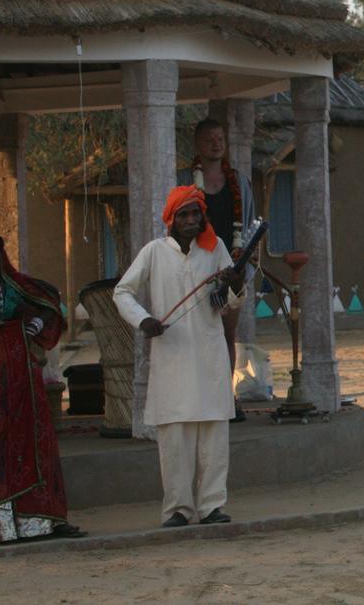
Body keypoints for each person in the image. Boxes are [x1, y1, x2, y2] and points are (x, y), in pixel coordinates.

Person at [113, 186, 244, 527]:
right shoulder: (154, 252)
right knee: (174, 440)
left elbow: (233, 301)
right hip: (171, 358)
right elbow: (122, 291)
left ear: (203, 218)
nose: (190, 220)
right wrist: (144, 320)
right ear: (171, 220)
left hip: (210, 356)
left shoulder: (216, 251)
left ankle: (213, 506)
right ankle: (178, 510)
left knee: (214, 437)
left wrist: (235, 280)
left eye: (195, 214)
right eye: (183, 215)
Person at [0, 228, 85, 543]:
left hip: (20, 375)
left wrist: (33, 327)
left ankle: (42, 521)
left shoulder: (14, 284)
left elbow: (50, 304)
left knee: (32, 443)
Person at [180, 117, 256, 422]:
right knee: (198, 335)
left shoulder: (239, 183)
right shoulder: (185, 182)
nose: (217, 143)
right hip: (198, 269)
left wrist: (243, 265)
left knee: (227, 335)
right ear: (198, 143)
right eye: (210, 138)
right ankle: (199, 398)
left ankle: (226, 398)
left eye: (221, 138)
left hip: (232, 270)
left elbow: (249, 225)